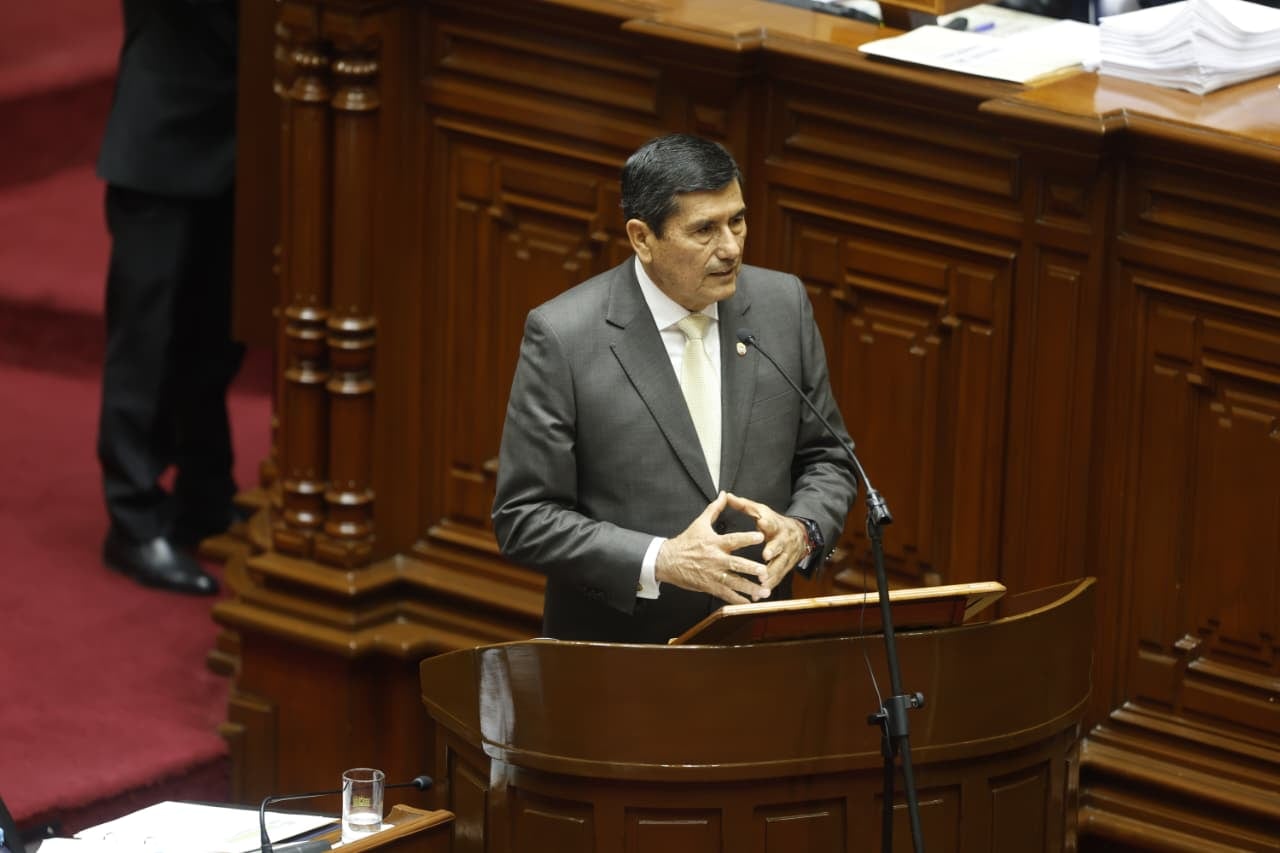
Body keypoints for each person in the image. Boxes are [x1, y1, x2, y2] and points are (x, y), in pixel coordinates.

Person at [492, 133, 858, 643]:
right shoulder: (565, 336)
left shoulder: (782, 306)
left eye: (737, 220)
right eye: (704, 230)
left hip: (760, 646)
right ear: (643, 238)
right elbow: (524, 518)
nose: (730, 247)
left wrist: (804, 530)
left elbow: (829, 457)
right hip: (623, 661)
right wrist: (660, 560)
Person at [95, 0, 243, 596]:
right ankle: (132, 520)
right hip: (162, 129)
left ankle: (205, 499)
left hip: (241, 129)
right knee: (145, 339)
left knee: (214, 336)